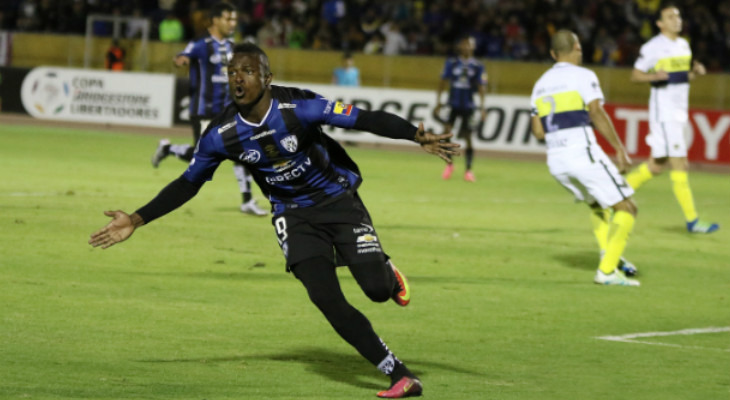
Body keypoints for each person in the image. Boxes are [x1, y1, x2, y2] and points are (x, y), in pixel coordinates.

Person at [89, 42, 460, 398]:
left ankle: (385, 271)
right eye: (232, 72)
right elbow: (189, 183)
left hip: (338, 202)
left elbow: (363, 118)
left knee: (377, 291)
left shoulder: (301, 107)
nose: (238, 78)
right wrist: (136, 219)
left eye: (248, 71)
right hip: (292, 215)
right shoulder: (220, 135)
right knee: (326, 298)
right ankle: (399, 374)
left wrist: (414, 136)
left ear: (267, 78)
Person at [530, 30, 640, 286]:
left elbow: (538, 132)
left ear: (553, 54)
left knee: (597, 205)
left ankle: (609, 255)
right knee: (627, 208)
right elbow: (596, 112)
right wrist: (619, 149)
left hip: (556, 161)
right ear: (577, 47)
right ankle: (607, 271)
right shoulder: (583, 76)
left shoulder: (539, 84)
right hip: (582, 154)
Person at [151, 2, 266, 216]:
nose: (232, 23)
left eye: (234, 19)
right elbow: (182, 55)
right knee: (202, 155)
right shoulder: (201, 43)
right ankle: (168, 149)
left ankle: (247, 201)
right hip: (204, 110)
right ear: (215, 20)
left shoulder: (232, 46)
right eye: (228, 19)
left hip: (228, 110)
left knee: (244, 150)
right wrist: (181, 60)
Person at [625, 4, 719, 234]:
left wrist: (694, 73)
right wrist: (653, 76)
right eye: (670, 17)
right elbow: (635, 75)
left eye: (677, 16)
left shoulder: (684, 45)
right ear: (660, 24)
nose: (676, 20)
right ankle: (692, 221)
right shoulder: (653, 47)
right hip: (664, 112)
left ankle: (612, 195)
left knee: (656, 166)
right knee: (680, 163)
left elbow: (680, 77)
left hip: (679, 110)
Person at [433, 35, 487, 182]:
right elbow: (442, 81)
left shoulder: (478, 66)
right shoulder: (452, 63)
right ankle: (449, 164)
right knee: (446, 133)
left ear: (473, 47)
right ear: (459, 47)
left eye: (469, 45)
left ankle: (468, 170)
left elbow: (481, 86)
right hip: (452, 104)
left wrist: (483, 107)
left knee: (468, 137)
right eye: (464, 44)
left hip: (468, 106)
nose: (466, 47)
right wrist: (438, 101)